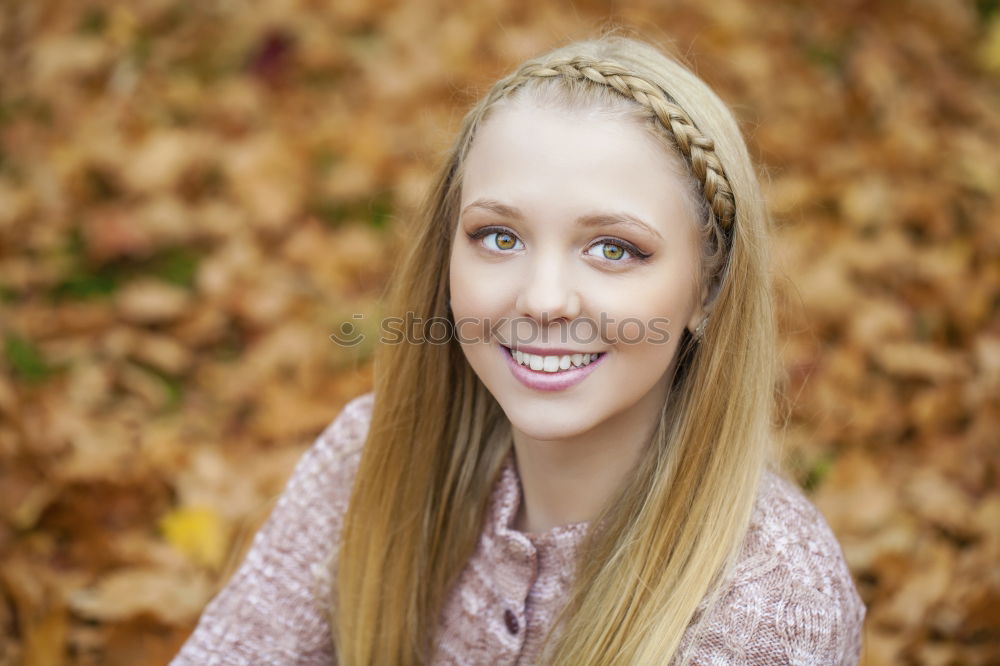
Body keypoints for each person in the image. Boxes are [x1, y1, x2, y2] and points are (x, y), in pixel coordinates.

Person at [171, 34, 866, 665]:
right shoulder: (371, 456)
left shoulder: (770, 598)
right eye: (499, 237)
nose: (542, 299)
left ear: (707, 290)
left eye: (613, 249)